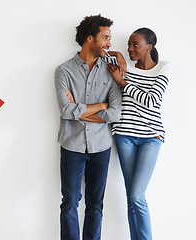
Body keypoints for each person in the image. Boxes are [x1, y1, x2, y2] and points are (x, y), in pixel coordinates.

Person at [54, 15, 122, 240]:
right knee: (70, 203)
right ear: (89, 38)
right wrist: (100, 105)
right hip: (72, 145)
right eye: (105, 37)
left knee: (95, 205)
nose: (109, 43)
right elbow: (65, 111)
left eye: (109, 38)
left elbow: (114, 114)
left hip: (101, 147)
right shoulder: (63, 71)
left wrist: (80, 111)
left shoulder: (111, 71)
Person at [107, 28, 170, 240]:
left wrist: (123, 83)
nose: (130, 48)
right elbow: (101, 53)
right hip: (124, 135)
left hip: (151, 138)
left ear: (149, 47)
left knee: (137, 195)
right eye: (129, 45)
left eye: (135, 45)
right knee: (131, 197)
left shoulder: (163, 68)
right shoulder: (125, 68)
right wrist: (118, 55)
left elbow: (151, 101)